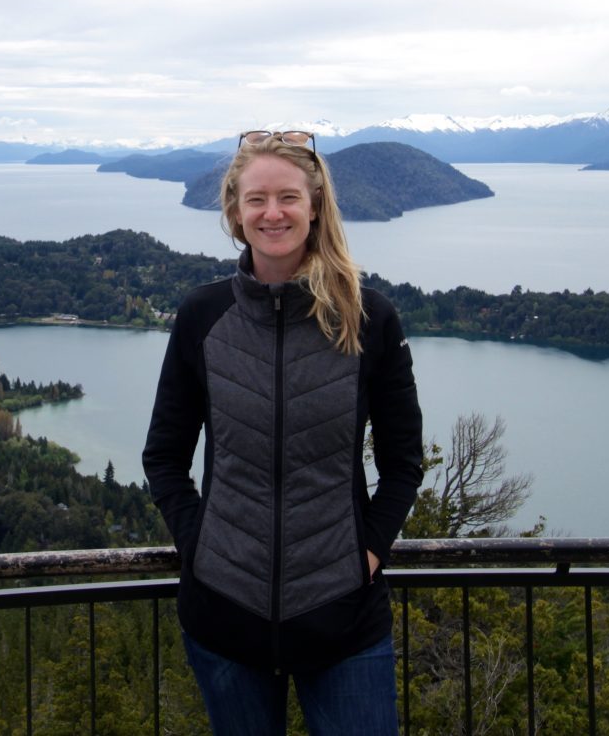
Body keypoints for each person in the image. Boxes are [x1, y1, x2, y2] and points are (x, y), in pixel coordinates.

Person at [142, 129, 424, 735]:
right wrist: (200, 546)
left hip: (343, 621)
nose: (273, 213)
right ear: (235, 212)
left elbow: (404, 463)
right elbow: (164, 456)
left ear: (315, 206)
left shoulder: (368, 318)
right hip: (224, 620)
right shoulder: (202, 317)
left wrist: (365, 554)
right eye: (257, 199)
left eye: (289, 197)